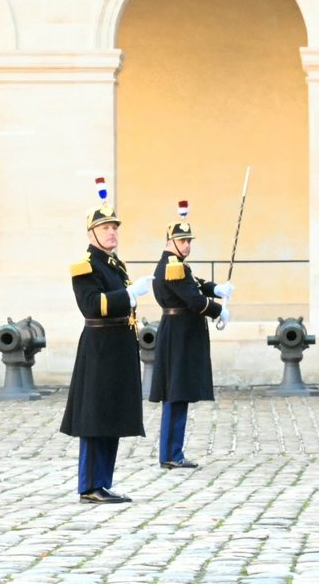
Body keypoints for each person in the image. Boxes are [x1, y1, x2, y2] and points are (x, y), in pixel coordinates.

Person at [62, 197, 145, 502]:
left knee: (112, 416)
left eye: (113, 227)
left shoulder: (114, 264)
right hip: (99, 349)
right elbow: (92, 304)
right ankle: (89, 485)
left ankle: (103, 482)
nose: (112, 232)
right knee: (95, 418)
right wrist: (129, 294)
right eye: (105, 227)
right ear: (90, 234)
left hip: (119, 348)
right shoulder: (85, 267)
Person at [148, 204, 229, 470]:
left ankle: (173, 452)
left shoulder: (178, 266)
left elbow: (194, 283)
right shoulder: (172, 266)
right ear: (170, 241)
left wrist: (216, 288)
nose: (187, 245)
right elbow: (193, 299)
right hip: (179, 335)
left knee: (178, 394)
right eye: (182, 241)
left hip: (180, 334)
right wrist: (218, 310)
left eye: (189, 241)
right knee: (175, 394)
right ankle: (171, 454)